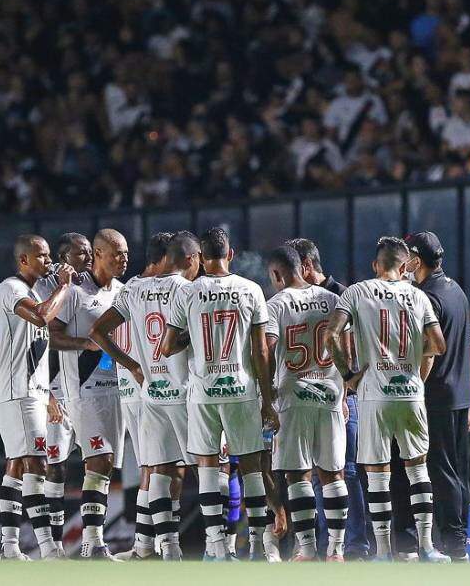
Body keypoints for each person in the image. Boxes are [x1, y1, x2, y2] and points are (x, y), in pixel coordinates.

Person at [327, 236, 450, 563]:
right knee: (417, 469)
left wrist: (349, 374)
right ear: (405, 265)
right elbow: (438, 344)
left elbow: (331, 334)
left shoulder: (356, 292)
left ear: (375, 265)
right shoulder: (417, 296)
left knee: (378, 473)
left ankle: (383, 552)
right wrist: (408, 361)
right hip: (410, 392)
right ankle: (427, 547)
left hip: (373, 394)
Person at [160, 227, 278, 561]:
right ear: (231, 253)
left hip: (203, 392)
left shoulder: (188, 292)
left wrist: (193, 336)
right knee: (253, 467)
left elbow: (168, 346)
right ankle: (257, 545)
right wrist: (267, 401)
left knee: (210, 467)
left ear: (201, 256)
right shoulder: (251, 290)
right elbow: (261, 352)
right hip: (241, 389)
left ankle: (216, 547)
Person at [91, 231, 196, 561]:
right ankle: (160, 545)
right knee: (175, 468)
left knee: (156, 466)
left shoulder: (129, 289)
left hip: (137, 390)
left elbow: (102, 332)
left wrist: (130, 367)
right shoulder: (170, 289)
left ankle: (146, 545)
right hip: (161, 388)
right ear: (169, 258)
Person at [263, 245, 352, 561]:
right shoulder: (333, 300)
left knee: (297, 474)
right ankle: (337, 550)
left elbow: (267, 349)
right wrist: (343, 388)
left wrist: (267, 393)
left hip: (293, 396)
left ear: (277, 274)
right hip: (329, 396)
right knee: (333, 474)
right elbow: (347, 347)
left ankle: (307, 549)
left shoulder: (276, 304)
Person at [44, 228, 128, 560]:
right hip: (80, 390)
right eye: (117, 252)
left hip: (115, 390)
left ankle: (94, 543)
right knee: (89, 462)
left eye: (126, 252)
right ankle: (82, 544)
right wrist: (85, 344)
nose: (123, 258)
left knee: (105, 467)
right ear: (98, 253)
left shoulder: (123, 292)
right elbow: (51, 333)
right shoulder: (76, 292)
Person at [0, 234, 74, 560]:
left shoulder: (32, 290)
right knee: (37, 464)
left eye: (49, 255)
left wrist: (49, 396)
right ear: (23, 259)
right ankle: (48, 549)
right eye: (41, 256)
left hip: (31, 391)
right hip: (17, 392)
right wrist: (64, 286)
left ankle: (10, 548)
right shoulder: (10, 288)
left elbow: (35, 350)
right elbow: (41, 316)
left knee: (16, 465)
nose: (48, 260)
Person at [286, 236, 367, 559]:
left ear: (306, 266)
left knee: (344, 471)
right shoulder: (299, 298)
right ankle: (323, 546)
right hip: (311, 398)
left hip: (341, 398)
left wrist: (346, 392)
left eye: (294, 267)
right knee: (317, 474)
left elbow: (353, 348)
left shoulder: (341, 295)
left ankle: (355, 545)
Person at [405, 231, 470, 560]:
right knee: (458, 472)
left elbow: (429, 352)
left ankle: (455, 543)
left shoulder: (426, 297)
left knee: (442, 471)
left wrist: (414, 390)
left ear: (417, 260)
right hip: (459, 396)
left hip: (436, 395)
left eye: (407, 257)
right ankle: (458, 538)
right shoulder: (457, 292)